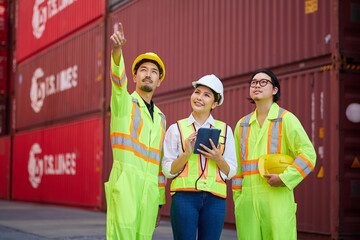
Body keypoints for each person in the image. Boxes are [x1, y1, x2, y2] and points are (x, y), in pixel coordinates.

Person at [232, 69, 317, 239]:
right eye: (254, 83)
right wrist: (239, 200)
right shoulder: (242, 125)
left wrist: (284, 178)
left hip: (276, 200)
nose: (257, 85)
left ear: (275, 90)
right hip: (247, 203)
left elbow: (308, 155)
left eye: (263, 82)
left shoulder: (286, 119)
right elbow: (237, 169)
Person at [104, 23, 166, 240]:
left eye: (153, 72)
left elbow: (159, 164)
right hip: (126, 188)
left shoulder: (161, 119)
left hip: (149, 195)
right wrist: (117, 51)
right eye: (143, 70)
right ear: (134, 77)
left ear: (159, 81)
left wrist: (159, 201)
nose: (148, 75)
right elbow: (117, 83)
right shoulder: (124, 104)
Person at [162, 74, 238, 240]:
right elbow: (168, 170)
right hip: (184, 199)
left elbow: (231, 171)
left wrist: (218, 158)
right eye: (197, 92)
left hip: (215, 201)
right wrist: (186, 153)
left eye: (207, 95)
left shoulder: (225, 130)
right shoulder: (176, 129)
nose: (199, 97)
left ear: (215, 103)